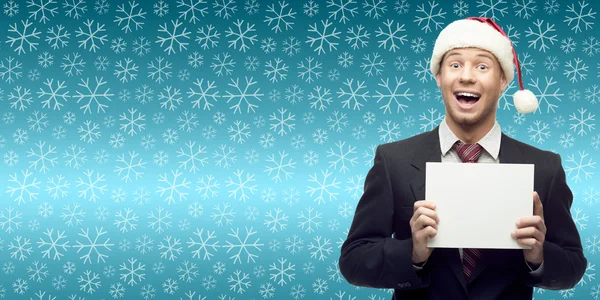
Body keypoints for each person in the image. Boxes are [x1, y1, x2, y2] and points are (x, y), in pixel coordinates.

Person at [339, 17, 586, 299]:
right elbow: (353, 261)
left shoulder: (543, 168)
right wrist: (413, 253)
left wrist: (538, 256)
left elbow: (573, 266)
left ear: (503, 80)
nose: (466, 76)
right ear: (438, 77)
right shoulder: (393, 160)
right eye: (455, 65)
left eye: (482, 66)